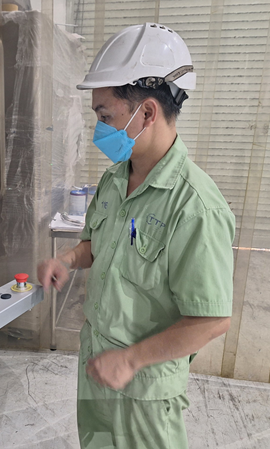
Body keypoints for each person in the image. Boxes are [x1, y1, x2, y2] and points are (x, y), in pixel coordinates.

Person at [37, 23, 235, 448]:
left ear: (146, 113)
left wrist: (130, 359)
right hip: (97, 364)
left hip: (143, 387)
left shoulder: (196, 207)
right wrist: (67, 260)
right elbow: (98, 245)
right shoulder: (114, 180)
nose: (99, 131)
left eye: (105, 116)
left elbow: (212, 320)